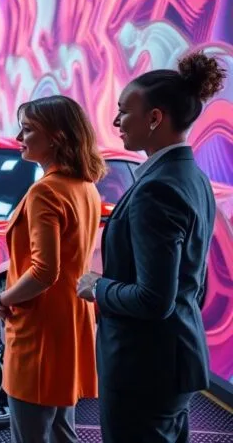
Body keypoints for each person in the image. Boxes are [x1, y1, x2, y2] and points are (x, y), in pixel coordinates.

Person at [76, 51, 226, 443]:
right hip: (171, 359)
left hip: (144, 367)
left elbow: (153, 299)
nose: (116, 121)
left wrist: (97, 287)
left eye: (124, 111)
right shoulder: (191, 176)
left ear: (154, 118)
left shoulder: (157, 189)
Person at [0, 95, 105, 443]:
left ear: (56, 136)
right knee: (61, 429)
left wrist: (4, 299)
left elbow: (45, 272)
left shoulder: (46, 191)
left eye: (27, 130)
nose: (19, 138)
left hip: (40, 327)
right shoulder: (85, 186)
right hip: (70, 322)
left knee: (32, 433)